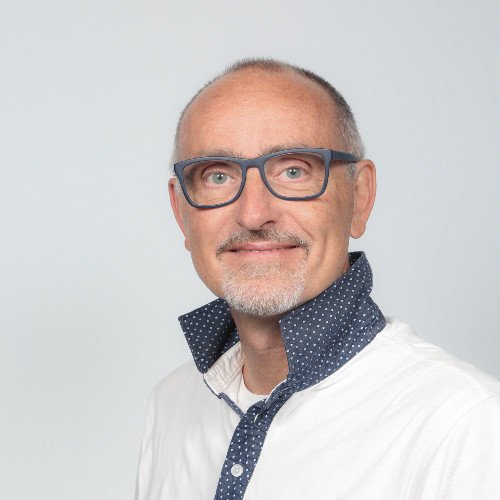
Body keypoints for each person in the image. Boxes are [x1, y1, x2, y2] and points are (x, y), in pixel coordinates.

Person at [136, 58, 500, 500]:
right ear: (181, 213)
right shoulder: (171, 405)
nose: (253, 214)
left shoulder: (465, 426)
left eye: (294, 171)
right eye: (218, 176)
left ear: (359, 197)